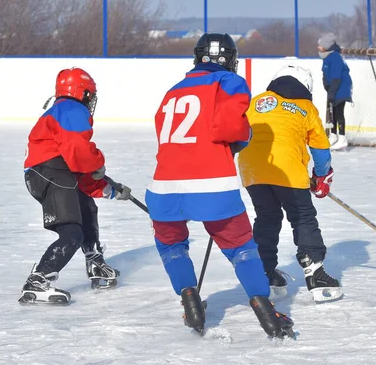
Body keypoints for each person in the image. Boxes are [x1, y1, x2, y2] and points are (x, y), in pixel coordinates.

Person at [145, 33, 294, 339]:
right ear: (229, 59)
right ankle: (266, 312)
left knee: (171, 245)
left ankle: (191, 302)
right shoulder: (229, 81)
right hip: (212, 186)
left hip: (165, 186)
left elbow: (164, 133)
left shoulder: (173, 90)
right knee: (241, 247)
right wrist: (243, 139)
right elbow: (229, 128)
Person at [20, 67, 131, 305]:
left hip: (52, 173)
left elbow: (78, 169)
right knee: (72, 232)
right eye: (90, 95)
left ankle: (95, 262)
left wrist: (108, 187)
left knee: (86, 207)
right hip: (49, 173)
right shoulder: (71, 109)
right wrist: (98, 162)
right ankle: (38, 280)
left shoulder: (62, 109)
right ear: (83, 93)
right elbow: (79, 152)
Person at [238, 64, 342, 303]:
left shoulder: (256, 101)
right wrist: (321, 175)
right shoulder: (306, 107)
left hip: (252, 169)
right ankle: (315, 271)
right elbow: (320, 148)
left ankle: (264, 271)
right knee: (302, 216)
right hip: (287, 171)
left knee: (267, 217)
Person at [318, 33, 353, 150]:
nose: (318, 47)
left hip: (341, 88)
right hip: (333, 88)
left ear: (327, 46)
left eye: (321, 45)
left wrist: (332, 92)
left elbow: (336, 77)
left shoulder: (336, 58)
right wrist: (326, 86)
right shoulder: (326, 57)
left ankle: (342, 138)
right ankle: (333, 135)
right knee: (332, 112)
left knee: (338, 112)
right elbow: (325, 73)